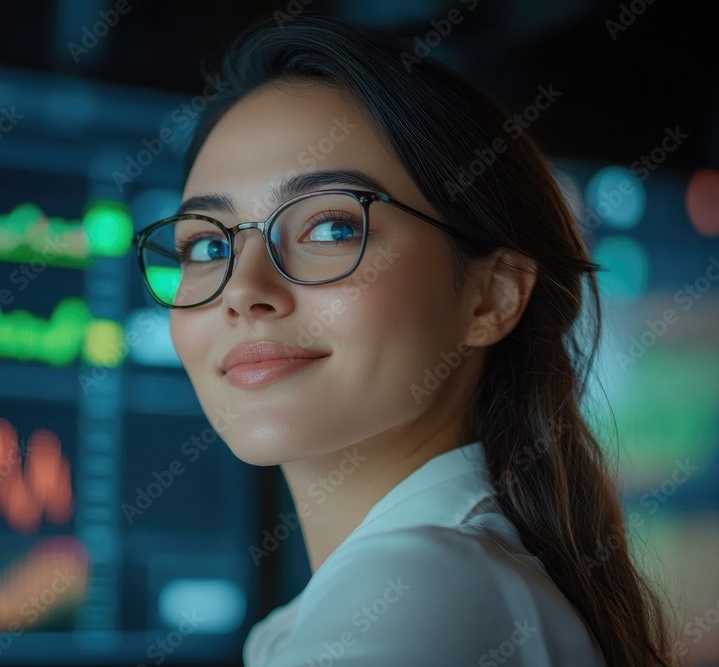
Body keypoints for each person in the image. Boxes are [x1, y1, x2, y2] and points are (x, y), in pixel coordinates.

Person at [131, 14, 678, 667]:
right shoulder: (432, 582)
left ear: (491, 296)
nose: (242, 289)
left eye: (330, 227)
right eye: (207, 244)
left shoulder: (420, 593)